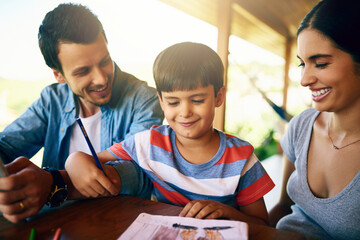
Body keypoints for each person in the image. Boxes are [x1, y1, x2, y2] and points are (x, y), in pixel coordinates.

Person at [65, 42, 275, 225]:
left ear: (219, 97)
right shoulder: (150, 143)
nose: (185, 112)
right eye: (174, 102)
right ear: (162, 102)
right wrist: (74, 160)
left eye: (197, 100)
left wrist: (228, 213)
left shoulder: (242, 159)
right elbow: (93, 159)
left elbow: (262, 225)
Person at [0, 3, 163, 223]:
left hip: (119, 225)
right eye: (83, 71)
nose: (101, 79)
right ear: (59, 74)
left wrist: (54, 182)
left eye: (105, 61)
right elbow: (6, 147)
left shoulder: (144, 99)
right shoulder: (51, 101)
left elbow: (140, 172)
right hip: (56, 225)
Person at [269, 0, 360, 239]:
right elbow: (282, 208)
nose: (304, 79)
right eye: (302, 63)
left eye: (320, 63)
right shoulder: (301, 126)